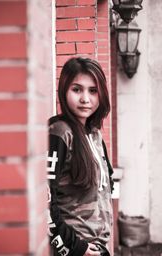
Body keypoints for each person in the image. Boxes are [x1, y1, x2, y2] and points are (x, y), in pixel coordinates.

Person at [47, 57, 114, 256]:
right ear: (64, 91)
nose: (85, 98)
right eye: (77, 90)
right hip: (75, 249)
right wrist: (76, 247)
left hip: (98, 248)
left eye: (93, 91)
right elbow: (45, 200)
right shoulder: (59, 133)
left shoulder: (94, 134)